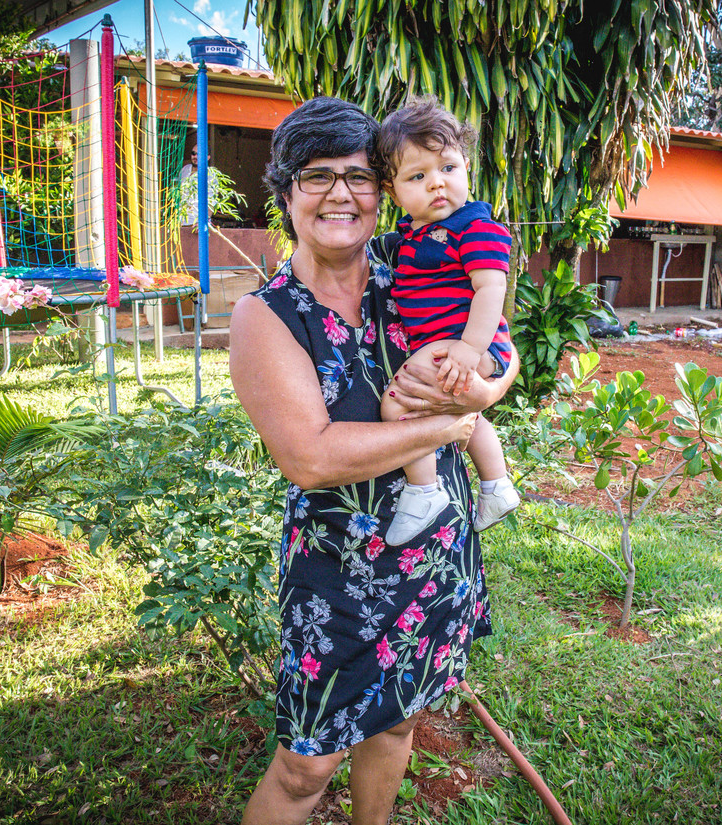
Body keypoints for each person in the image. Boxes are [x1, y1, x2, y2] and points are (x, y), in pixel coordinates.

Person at [229, 96, 518, 825]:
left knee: (398, 721)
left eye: (358, 176)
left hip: (435, 551)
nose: (340, 194)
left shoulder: (412, 260)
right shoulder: (268, 314)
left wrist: (484, 386)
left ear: (383, 190)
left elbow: (499, 344)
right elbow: (311, 457)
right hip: (339, 574)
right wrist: (451, 424)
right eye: (316, 176)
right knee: (305, 766)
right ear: (286, 193)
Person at [376, 98, 521, 545]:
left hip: (465, 343)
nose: (437, 183)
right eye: (417, 176)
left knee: (398, 404)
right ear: (392, 191)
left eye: (448, 168)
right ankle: (496, 486)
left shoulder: (474, 227)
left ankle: (424, 490)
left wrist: (470, 350)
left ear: (467, 167)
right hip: (454, 344)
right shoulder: (411, 235)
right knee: (461, 410)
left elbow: (491, 289)